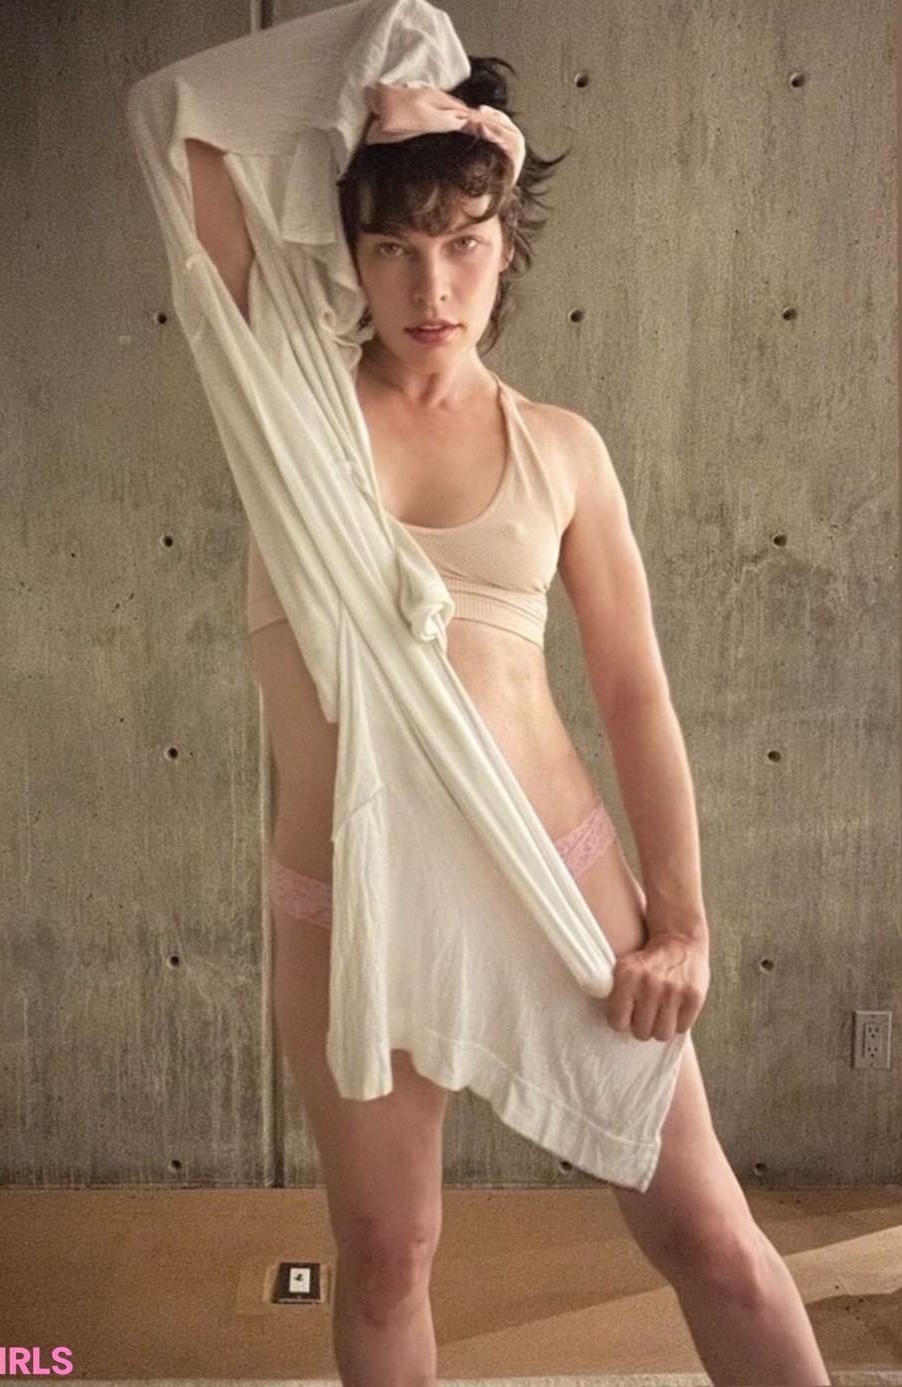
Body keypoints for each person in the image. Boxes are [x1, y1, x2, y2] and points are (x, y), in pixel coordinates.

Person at [163, 28, 829, 1387]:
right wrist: (383, 99)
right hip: (350, 896)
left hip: (554, 873)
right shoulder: (293, 409)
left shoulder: (559, 448)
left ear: (508, 246)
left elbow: (635, 697)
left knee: (707, 1233)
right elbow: (177, 122)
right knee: (389, 1255)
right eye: (395, 247)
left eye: (465, 243)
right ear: (349, 252)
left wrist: (683, 923)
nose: (432, 285)